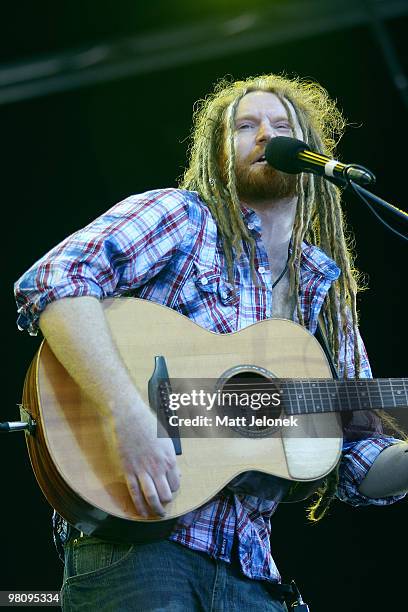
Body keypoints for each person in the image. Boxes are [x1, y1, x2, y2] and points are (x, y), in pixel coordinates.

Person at [14, 73, 408, 612]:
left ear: (313, 152)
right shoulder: (180, 218)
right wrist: (127, 414)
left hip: (253, 572)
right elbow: (54, 281)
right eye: (246, 126)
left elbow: (361, 454)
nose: (265, 135)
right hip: (141, 551)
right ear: (217, 152)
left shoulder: (325, 287)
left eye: (280, 125)